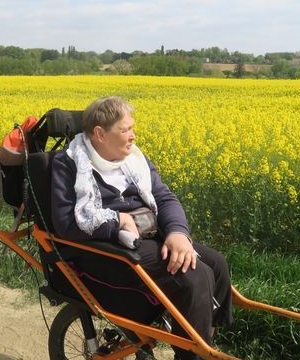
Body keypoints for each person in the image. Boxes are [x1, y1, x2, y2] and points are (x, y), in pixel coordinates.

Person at [51, 96, 233, 360]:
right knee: (194, 275)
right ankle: (193, 355)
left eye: (132, 128)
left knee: (217, 265)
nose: (133, 136)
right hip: (106, 248)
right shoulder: (69, 163)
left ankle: (204, 342)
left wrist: (178, 233)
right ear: (100, 134)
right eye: (125, 130)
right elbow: (66, 222)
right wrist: (116, 221)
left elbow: (164, 197)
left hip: (147, 235)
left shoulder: (134, 160)